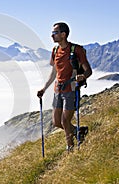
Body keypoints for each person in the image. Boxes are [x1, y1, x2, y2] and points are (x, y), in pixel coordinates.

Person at [37, 22, 92, 152]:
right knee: (56, 122)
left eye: (55, 33)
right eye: (52, 33)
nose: (52, 36)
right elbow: (54, 72)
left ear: (63, 34)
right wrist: (44, 89)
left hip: (71, 89)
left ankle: (70, 148)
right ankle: (79, 131)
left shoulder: (76, 50)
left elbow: (88, 70)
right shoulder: (55, 51)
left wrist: (82, 77)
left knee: (64, 121)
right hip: (58, 89)